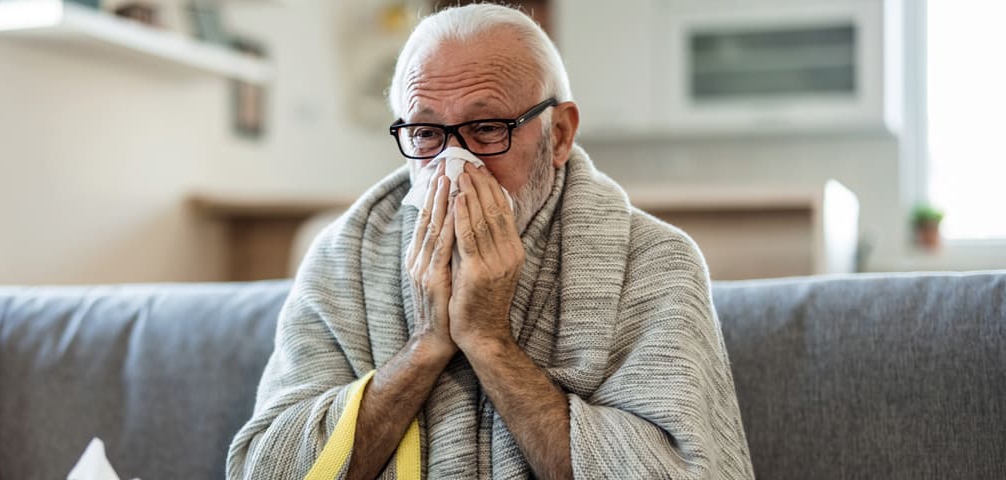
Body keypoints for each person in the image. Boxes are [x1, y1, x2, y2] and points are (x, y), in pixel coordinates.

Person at [228, 4, 754, 479]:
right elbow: (273, 468)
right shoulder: (341, 259)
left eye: (486, 128)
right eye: (427, 134)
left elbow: (673, 471)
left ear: (561, 135)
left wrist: (488, 341)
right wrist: (428, 343)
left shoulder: (656, 264)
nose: (454, 169)